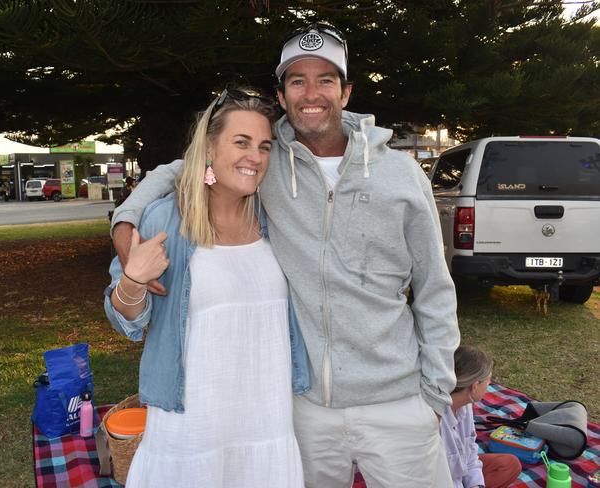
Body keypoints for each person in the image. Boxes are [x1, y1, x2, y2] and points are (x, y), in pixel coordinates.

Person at [111, 23, 460, 488]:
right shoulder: (268, 163)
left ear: (347, 90)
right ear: (282, 94)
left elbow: (435, 287)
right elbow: (188, 163)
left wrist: (435, 394)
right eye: (297, 80)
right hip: (305, 409)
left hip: (397, 403)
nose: (311, 93)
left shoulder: (399, 174)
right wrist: (126, 219)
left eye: (326, 79)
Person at [104, 89, 309, 488]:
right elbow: (125, 320)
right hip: (191, 431)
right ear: (210, 148)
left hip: (267, 423)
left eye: (264, 146)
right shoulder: (166, 218)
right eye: (241, 142)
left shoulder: (275, 217)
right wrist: (133, 280)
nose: (255, 157)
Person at [440, 346, 522, 488]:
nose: (490, 384)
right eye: (489, 380)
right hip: (438, 481)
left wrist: (476, 485)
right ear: (475, 386)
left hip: (457, 472)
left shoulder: (465, 404)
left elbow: (470, 453)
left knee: (509, 464)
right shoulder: (435, 421)